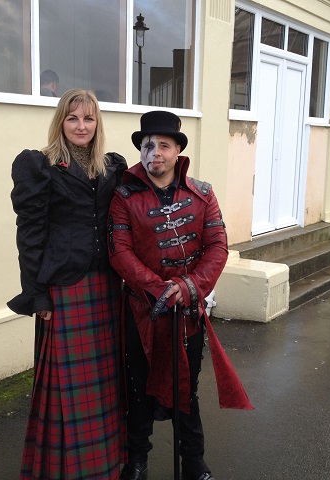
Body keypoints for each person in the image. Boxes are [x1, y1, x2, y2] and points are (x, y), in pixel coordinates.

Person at [108, 111, 254, 480]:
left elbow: (218, 246)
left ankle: (193, 462)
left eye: (162, 145)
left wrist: (188, 288)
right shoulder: (124, 196)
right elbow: (119, 252)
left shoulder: (203, 194)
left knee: (186, 389)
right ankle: (136, 461)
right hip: (143, 313)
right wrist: (160, 290)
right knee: (138, 389)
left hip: (187, 314)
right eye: (147, 145)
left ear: (177, 151)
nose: (153, 152)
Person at [7, 89, 128, 479]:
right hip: (64, 289)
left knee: (103, 388)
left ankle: (104, 463)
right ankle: (63, 469)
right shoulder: (40, 165)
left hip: (105, 289)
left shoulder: (110, 167)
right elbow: (30, 234)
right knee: (68, 390)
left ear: (98, 124)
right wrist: (36, 293)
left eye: (88, 119)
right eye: (73, 118)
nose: (81, 126)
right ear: (61, 121)